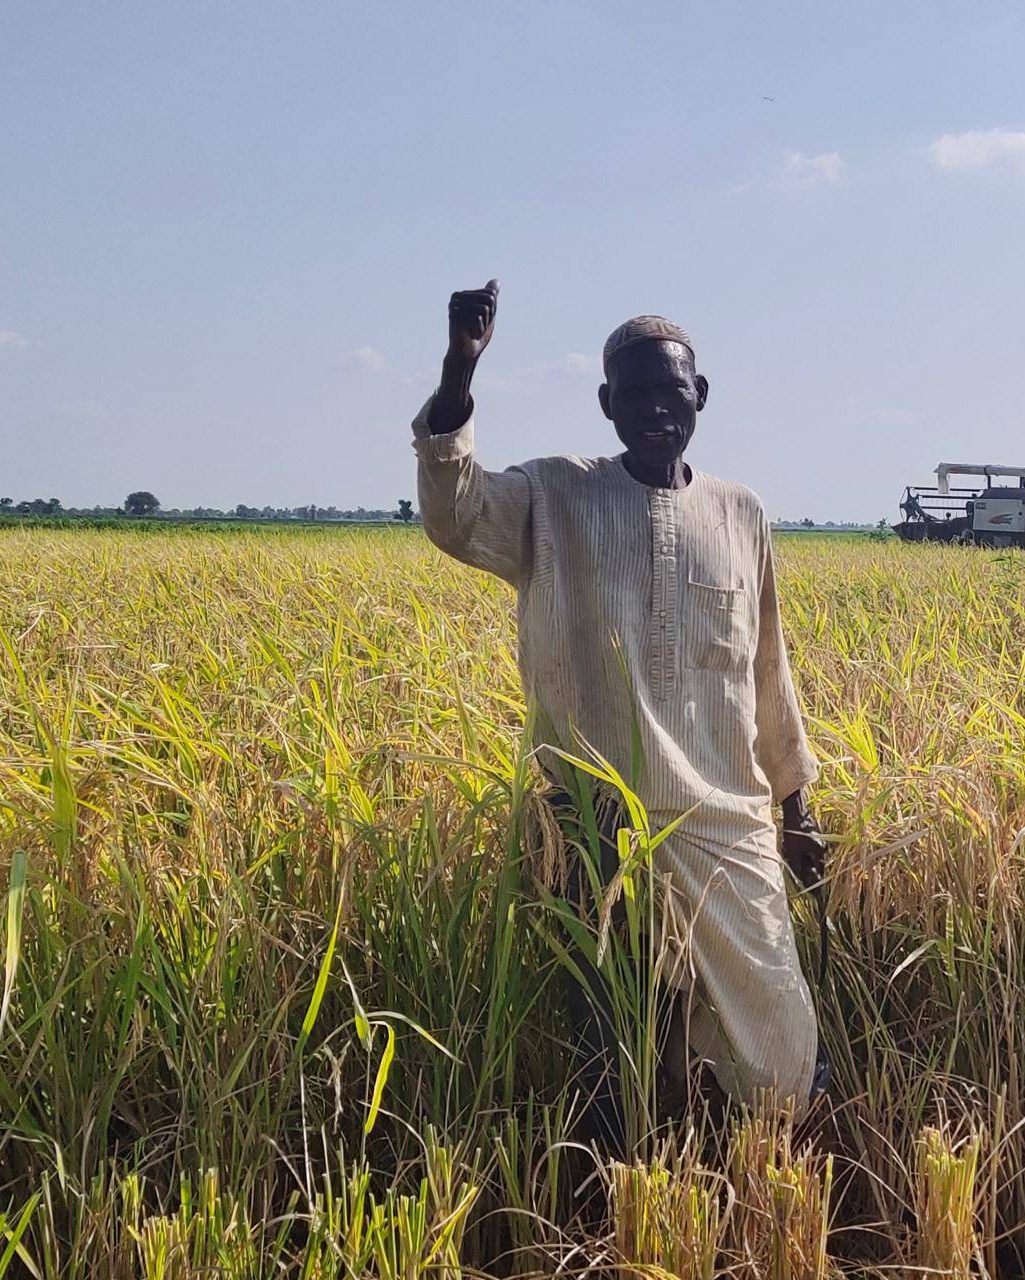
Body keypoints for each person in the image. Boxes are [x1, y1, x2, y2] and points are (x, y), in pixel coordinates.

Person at [412, 279, 830, 1142]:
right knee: (616, 1048)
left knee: (778, 1042)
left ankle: (756, 1175)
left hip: (725, 822)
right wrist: (460, 369)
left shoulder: (741, 513)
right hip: (597, 822)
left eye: (670, 393)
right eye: (633, 396)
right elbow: (455, 514)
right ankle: (623, 1191)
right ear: (607, 405)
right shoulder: (551, 496)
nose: (654, 411)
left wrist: (797, 809)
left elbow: (767, 670)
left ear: (700, 396)